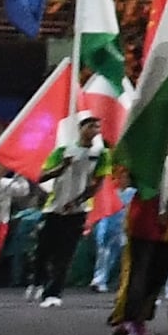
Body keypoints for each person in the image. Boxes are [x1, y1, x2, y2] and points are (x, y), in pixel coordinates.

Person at [33, 114, 108, 306]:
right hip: (54, 207)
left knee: (65, 254)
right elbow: (42, 176)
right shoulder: (63, 150)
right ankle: (38, 280)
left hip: (77, 211)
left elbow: (97, 183)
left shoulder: (101, 154)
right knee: (43, 250)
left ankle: (53, 293)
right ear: (81, 128)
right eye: (91, 126)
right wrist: (61, 167)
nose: (94, 131)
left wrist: (78, 201)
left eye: (97, 127)